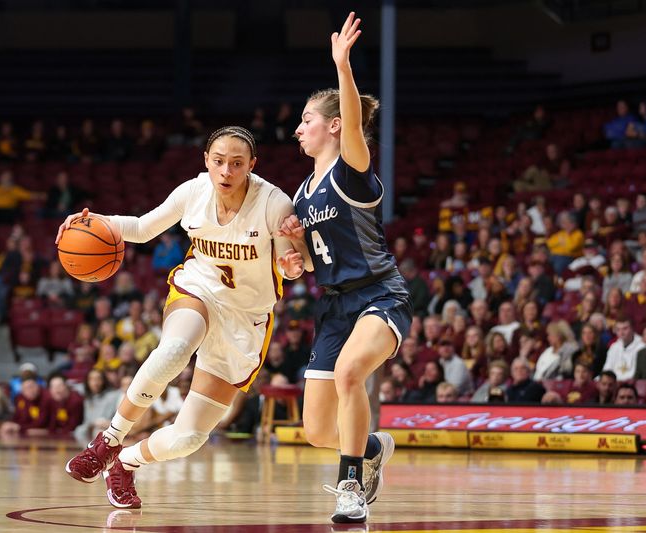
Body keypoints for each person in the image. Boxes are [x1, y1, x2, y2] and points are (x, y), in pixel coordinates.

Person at [59, 126, 306, 510]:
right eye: (219, 161)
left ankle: (125, 462)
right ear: (206, 160)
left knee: (190, 437)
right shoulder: (193, 191)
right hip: (199, 290)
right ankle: (108, 440)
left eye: (237, 164)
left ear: (252, 166)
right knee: (174, 348)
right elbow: (141, 228)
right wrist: (88, 222)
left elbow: (293, 264)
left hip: (247, 318)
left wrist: (292, 263)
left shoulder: (274, 203)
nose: (226, 171)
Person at [277, 13, 412, 523]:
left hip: (380, 294)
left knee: (351, 373)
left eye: (307, 119)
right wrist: (296, 261)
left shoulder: (350, 169)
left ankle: (350, 484)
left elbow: (354, 121)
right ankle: (371, 447)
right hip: (334, 305)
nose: (298, 128)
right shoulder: (301, 194)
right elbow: (310, 262)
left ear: (332, 126)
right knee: (315, 429)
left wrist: (343, 68)